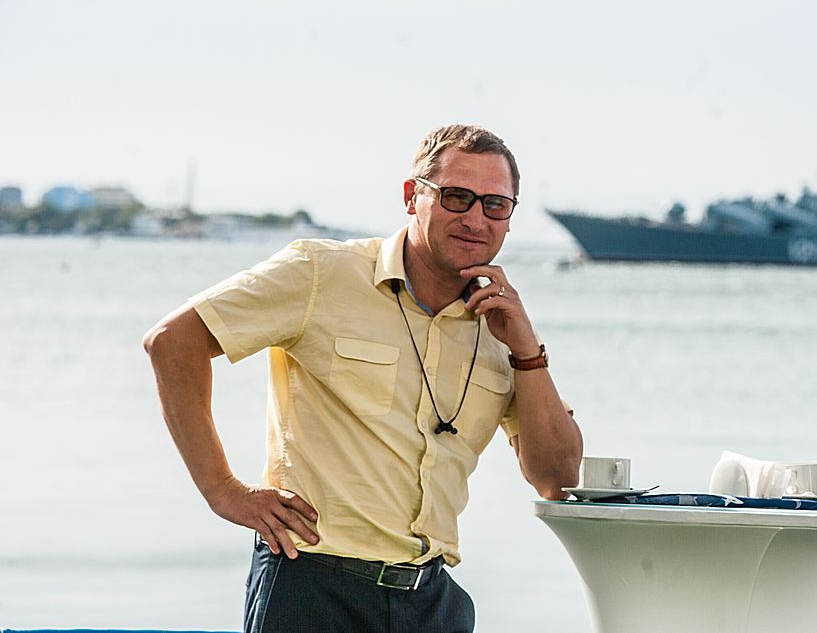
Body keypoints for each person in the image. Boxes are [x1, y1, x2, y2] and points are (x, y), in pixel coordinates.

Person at [143, 124, 583, 632]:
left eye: (495, 205)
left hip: (432, 603)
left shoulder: (503, 327)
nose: (475, 218)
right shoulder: (320, 272)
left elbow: (557, 479)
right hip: (312, 588)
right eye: (457, 197)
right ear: (412, 196)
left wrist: (527, 355)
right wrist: (223, 489)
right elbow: (172, 342)